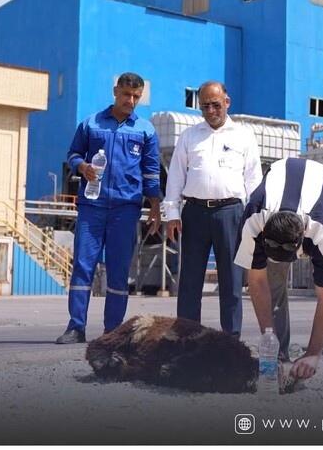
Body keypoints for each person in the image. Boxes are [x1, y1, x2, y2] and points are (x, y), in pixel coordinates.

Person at [234, 157, 323, 396]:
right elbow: (257, 284)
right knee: (272, 283)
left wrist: (313, 354)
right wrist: (269, 343)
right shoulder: (253, 220)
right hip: (279, 211)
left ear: (304, 235)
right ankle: (279, 359)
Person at [56, 73, 162, 344]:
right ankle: (76, 327)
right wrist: (82, 166)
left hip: (126, 209)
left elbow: (151, 171)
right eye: (126, 94)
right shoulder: (91, 123)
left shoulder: (146, 130)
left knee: (118, 269)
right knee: (83, 266)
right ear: (116, 91)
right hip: (92, 206)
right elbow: (73, 154)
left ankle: (113, 332)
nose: (131, 101)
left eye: (136, 97)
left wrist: (155, 206)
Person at [164, 81, 261, 338]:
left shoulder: (244, 136)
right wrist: (172, 215)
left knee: (231, 281)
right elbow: (175, 177)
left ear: (227, 102)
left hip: (231, 214)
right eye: (205, 106)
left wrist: (256, 219)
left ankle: (231, 341)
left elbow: (254, 181)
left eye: (215, 105)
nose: (210, 111)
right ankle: (186, 339)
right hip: (194, 214)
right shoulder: (189, 136)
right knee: (189, 281)